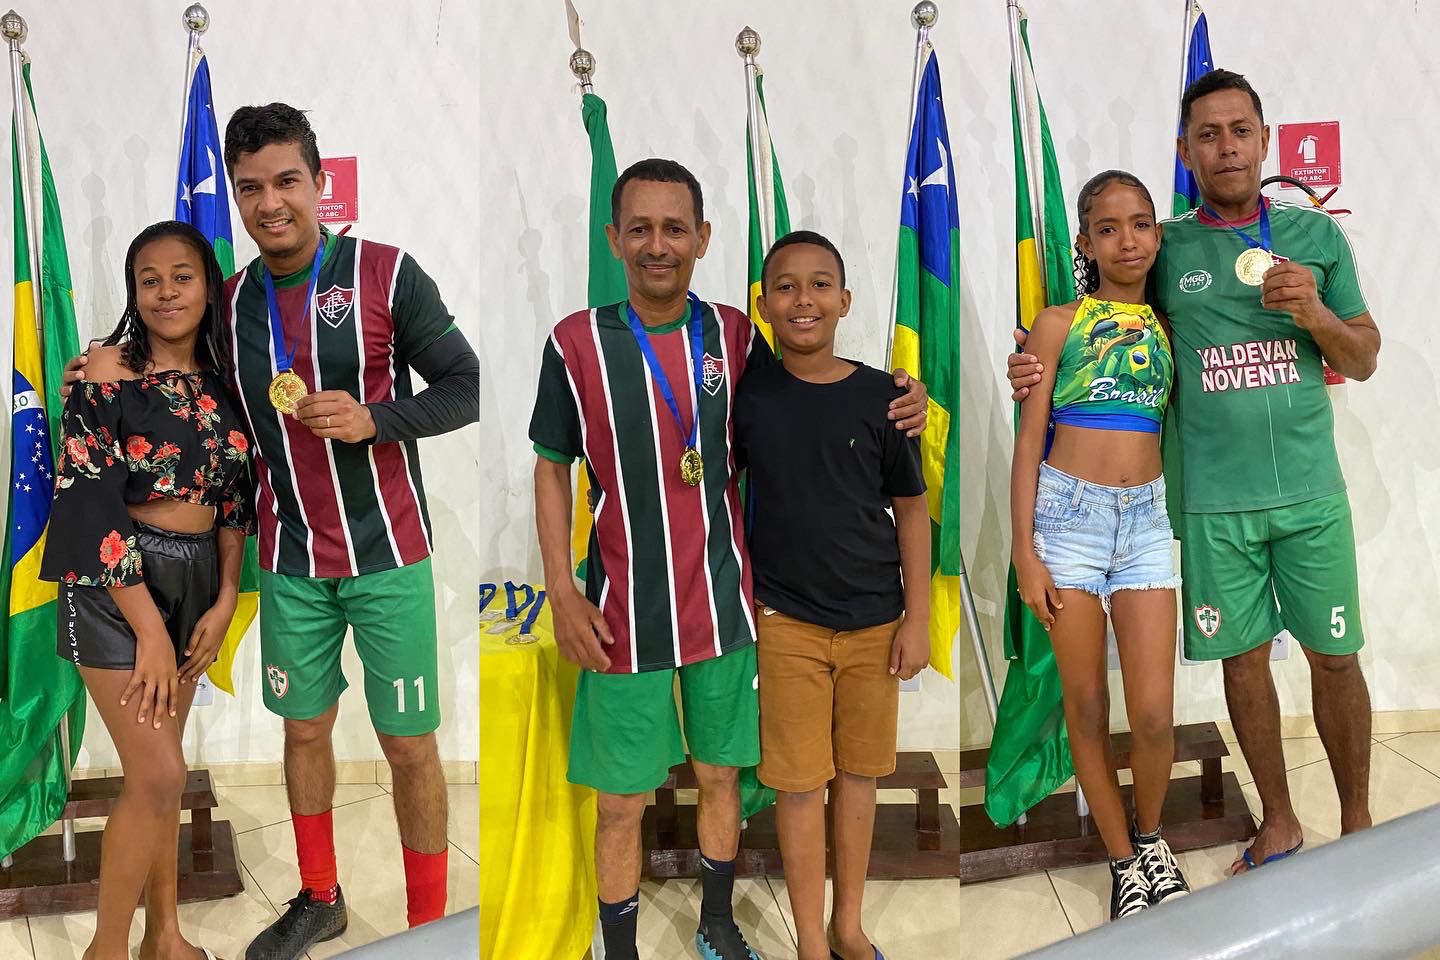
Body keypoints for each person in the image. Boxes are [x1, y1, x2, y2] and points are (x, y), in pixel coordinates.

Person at [66, 104, 481, 959]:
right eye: (250, 187)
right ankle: (320, 898)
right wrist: (97, 368)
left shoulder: (386, 273)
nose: (269, 202)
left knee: (409, 746)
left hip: (389, 552)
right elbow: (168, 370)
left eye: (287, 181)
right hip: (289, 558)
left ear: (320, 184)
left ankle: (430, 927)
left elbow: (465, 385)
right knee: (303, 732)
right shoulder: (229, 302)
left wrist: (377, 418)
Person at [529, 159, 928, 960]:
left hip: (725, 608)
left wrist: (903, 394)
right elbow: (550, 466)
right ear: (613, 238)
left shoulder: (737, 336)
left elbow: (813, 395)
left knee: (721, 779)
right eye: (640, 228)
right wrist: (562, 593)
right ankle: (621, 952)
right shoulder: (575, 342)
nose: (658, 245)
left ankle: (716, 923)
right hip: (622, 616)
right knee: (621, 802)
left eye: (675, 228)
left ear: (703, 238)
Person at [1005, 70, 1379, 876]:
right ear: (1186, 151)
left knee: (1335, 658)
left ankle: (1360, 828)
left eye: (1241, 130)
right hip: (1209, 504)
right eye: (1208, 135)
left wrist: (1315, 312)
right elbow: (1109, 323)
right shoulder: (1168, 247)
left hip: (1311, 494)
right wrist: (1033, 365)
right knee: (1243, 662)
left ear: (1265, 139)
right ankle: (1279, 822)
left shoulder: (1316, 238)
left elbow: (1364, 357)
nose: (1227, 147)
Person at [42, 221, 254, 960]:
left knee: (154, 777)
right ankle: (106, 950)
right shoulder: (105, 370)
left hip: (196, 580)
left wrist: (225, 598)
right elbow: (90, 500)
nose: (166, 293)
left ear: (209, 287)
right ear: (134, 292)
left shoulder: (228, 379)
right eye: (149, 280)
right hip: (114, 583)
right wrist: (152, 631)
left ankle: (164, 937)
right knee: (162, 772)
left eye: (182, 277)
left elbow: (235, 500)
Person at [734, 230, 930, 960]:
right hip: (786, 623)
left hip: (876, 622)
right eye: (785, 286)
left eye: (820, 285)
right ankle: (811, 941)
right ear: (763, 304)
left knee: (859, 777)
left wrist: (918, 617)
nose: (803, 300)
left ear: (845, 300)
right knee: (796, 786)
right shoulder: (747, 399)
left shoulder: (886, 397)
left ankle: (848, 925)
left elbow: (911, 509)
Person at [1009, 172, 1188, 919]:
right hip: (1067, 524)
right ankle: (1122, 863)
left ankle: (1151, 840)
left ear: (1158, 233)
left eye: (1140, 224)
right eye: (1108, 228)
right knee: (1086, 706)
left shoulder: (1175, 324)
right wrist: (1024, 552)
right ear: (1084, 243)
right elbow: (1029, 442)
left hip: (1145, 525)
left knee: (1153, 715)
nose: (1127, 241)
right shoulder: (1058, 325)